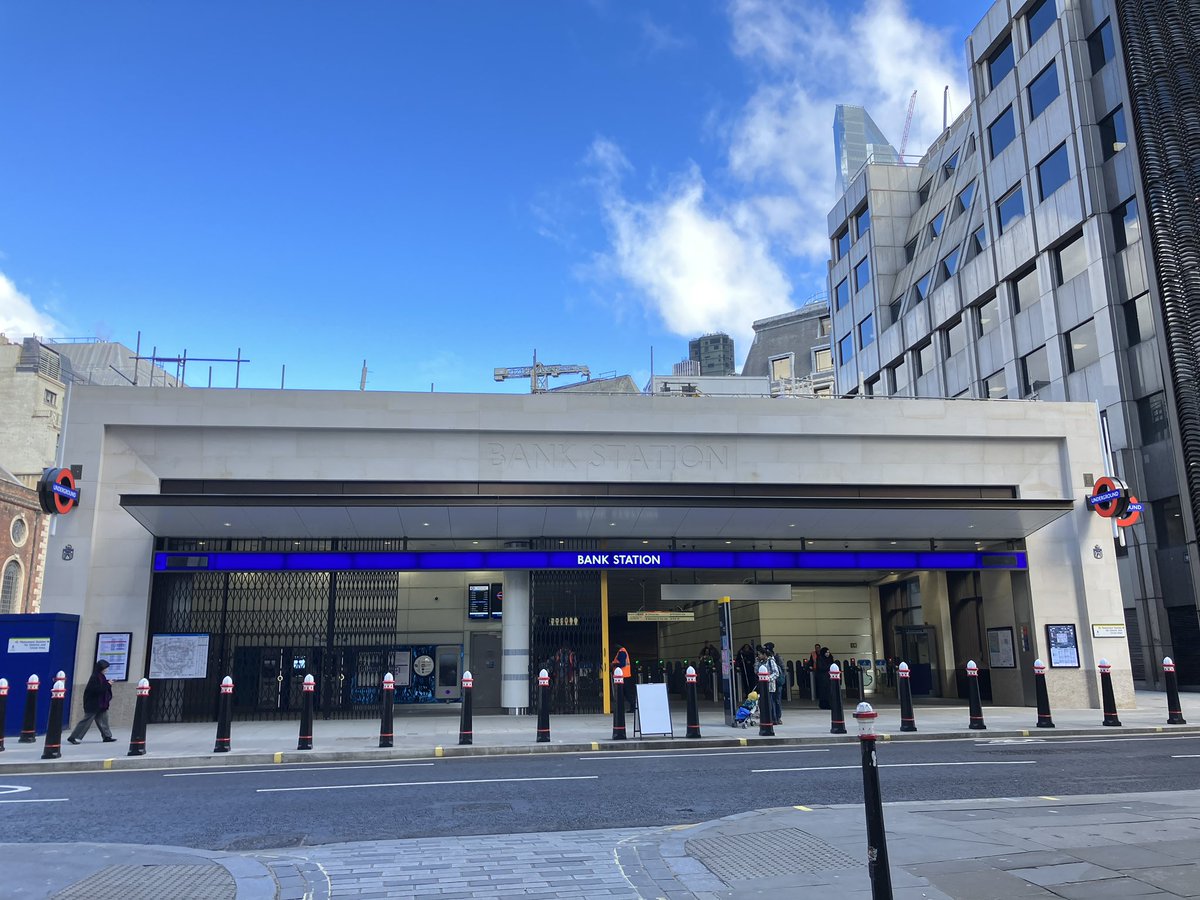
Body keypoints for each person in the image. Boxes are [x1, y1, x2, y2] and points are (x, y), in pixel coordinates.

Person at [68, 659, 116, 744]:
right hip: (93, 703)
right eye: (106, 668)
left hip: (101, 703)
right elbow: (97, 690)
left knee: (103, 719)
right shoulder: (95, 677)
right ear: (101, 668)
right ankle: (73, 737)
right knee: (86, 721)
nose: (107, 670)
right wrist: (108, 684)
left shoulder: (101, 676)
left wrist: (107, 684)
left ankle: (107, 736)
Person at [612, 644, 636, 712]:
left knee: (625, 693)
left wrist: (613, 664)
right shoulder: (622, 651)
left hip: (623, 676)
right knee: (625, 693)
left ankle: (632, 706)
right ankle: (630, 707)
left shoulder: (622, 652)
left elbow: (622, 664)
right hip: (624, 676)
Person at [764, 642, 784, 724]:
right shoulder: (767, 660)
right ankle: (774, 717)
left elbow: (779, 671)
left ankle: (777, 717)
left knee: (776, 700)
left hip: (776, 682)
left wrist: (770, 678)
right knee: (773, 700)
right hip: (773, 683)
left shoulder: (774, 659)